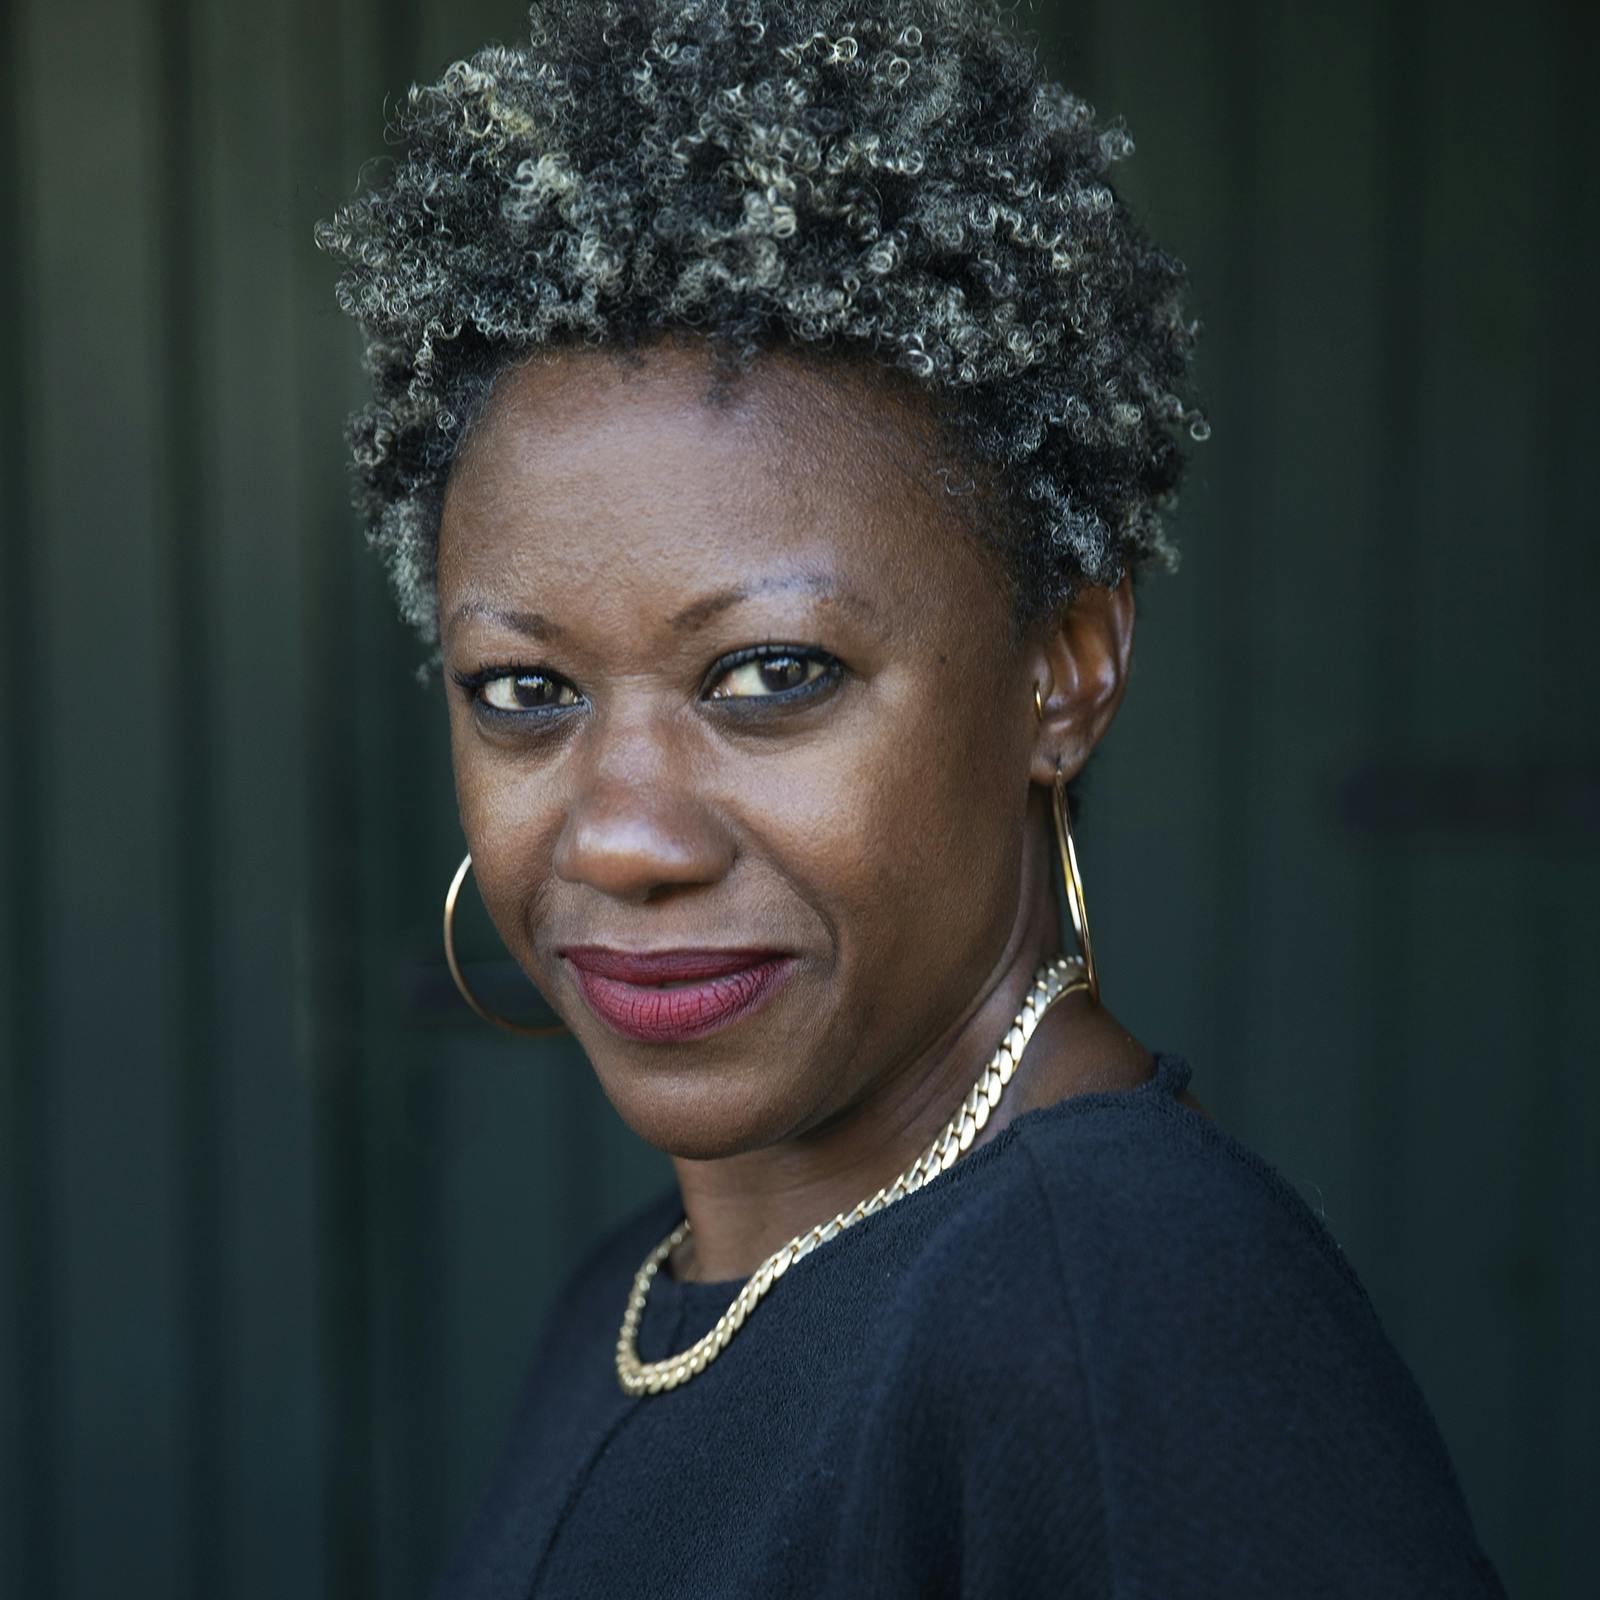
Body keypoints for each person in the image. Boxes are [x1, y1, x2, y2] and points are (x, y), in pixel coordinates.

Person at [316, 3, 1506, 1594]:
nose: (622, 835)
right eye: (527, 692)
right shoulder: (643, 1292)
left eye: (771, 674)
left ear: (1065, 669)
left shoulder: (1121, 1305)